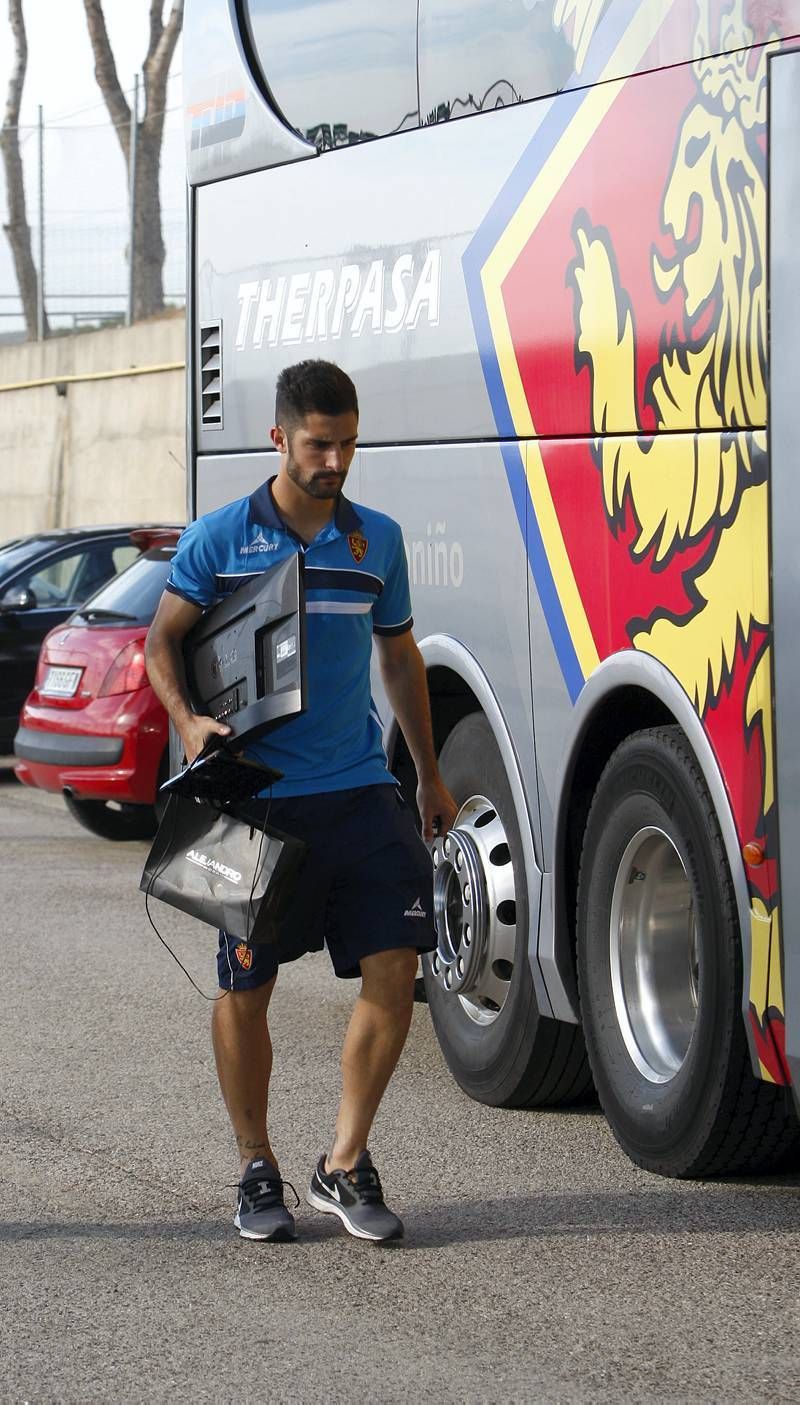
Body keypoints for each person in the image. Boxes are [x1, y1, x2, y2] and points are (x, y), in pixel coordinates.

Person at [145, 359, 457, 1244]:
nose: (337, 460)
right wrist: (190, 720)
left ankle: (345, 1161)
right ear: (278, 437)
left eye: (349, 442)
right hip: (254, 800)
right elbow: (160, 644)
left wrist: (426, 775)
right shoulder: (217, 539)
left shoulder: (377, 542)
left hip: (358, 786)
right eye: (320, 443)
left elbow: (398, 658)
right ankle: (256, 1163)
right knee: (248, 985)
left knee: (397, 964)